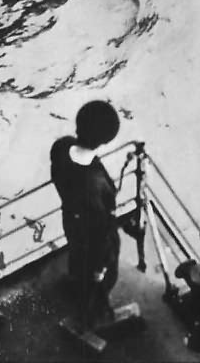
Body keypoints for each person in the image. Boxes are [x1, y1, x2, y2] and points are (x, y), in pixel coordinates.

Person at [50, 100, 121, 331]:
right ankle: (89, 312)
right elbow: (102, 234)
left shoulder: (61, 147)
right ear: (105, 140)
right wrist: (101, 268)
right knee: (97, 278)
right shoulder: (96, 185)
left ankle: (77, 284)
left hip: (72, 222)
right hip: (95, 240)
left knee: (77, 258)